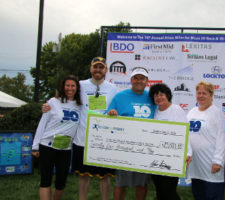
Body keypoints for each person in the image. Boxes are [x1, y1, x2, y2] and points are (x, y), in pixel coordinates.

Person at [42, 57, 118, 200]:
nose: (98, 70)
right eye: (95, 67)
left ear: (106, 70)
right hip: (82, 138)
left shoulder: (113, 89)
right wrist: (49, 104)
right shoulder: (81, 85)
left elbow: (116, 108)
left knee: (105, 177)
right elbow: (65, 95)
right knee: (83, 176)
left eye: (101, 67)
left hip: (104, 140)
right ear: (90, 69)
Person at [107, 67, 156, 200]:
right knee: (120, 183)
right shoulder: (119, 96)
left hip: (145, 147)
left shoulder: (152, 98)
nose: (138, 81)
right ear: (131, 80)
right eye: (136, 78)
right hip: (124, 147)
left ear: (147, 81)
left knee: (141, 183)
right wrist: (111, 114)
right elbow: (108, 119)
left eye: (142, 78)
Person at [32, 75, 82, 200]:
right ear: (63, 87)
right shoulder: (53, 102)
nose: (70, 88)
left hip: (65, 148)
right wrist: (35, 146)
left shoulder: (80, 105)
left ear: (77, 88)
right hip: (47, 145)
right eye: (67, 85)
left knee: (61, 182)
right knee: (46, 180)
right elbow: (42, 124)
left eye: (73, 86)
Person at [186, 81, 225, 200]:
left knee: (212, 196)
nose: (201, 95)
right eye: (199, 93)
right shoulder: (192, 112)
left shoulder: (217, 113)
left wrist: (218, 161)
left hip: (211, 166)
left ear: (211, 95)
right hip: (196, 166)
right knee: (198, 195)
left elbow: (222, 138)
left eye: (204, 93)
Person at [148, 83, 187, 200]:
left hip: (172, 158)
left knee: (169, 191)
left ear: (168, 95)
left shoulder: (176, 110)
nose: (159, 97)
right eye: (156, 95)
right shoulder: (154, 112)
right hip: (156, 157)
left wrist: (187, 152)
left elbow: (185, 132)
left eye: (161, 94)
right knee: (159, 190)